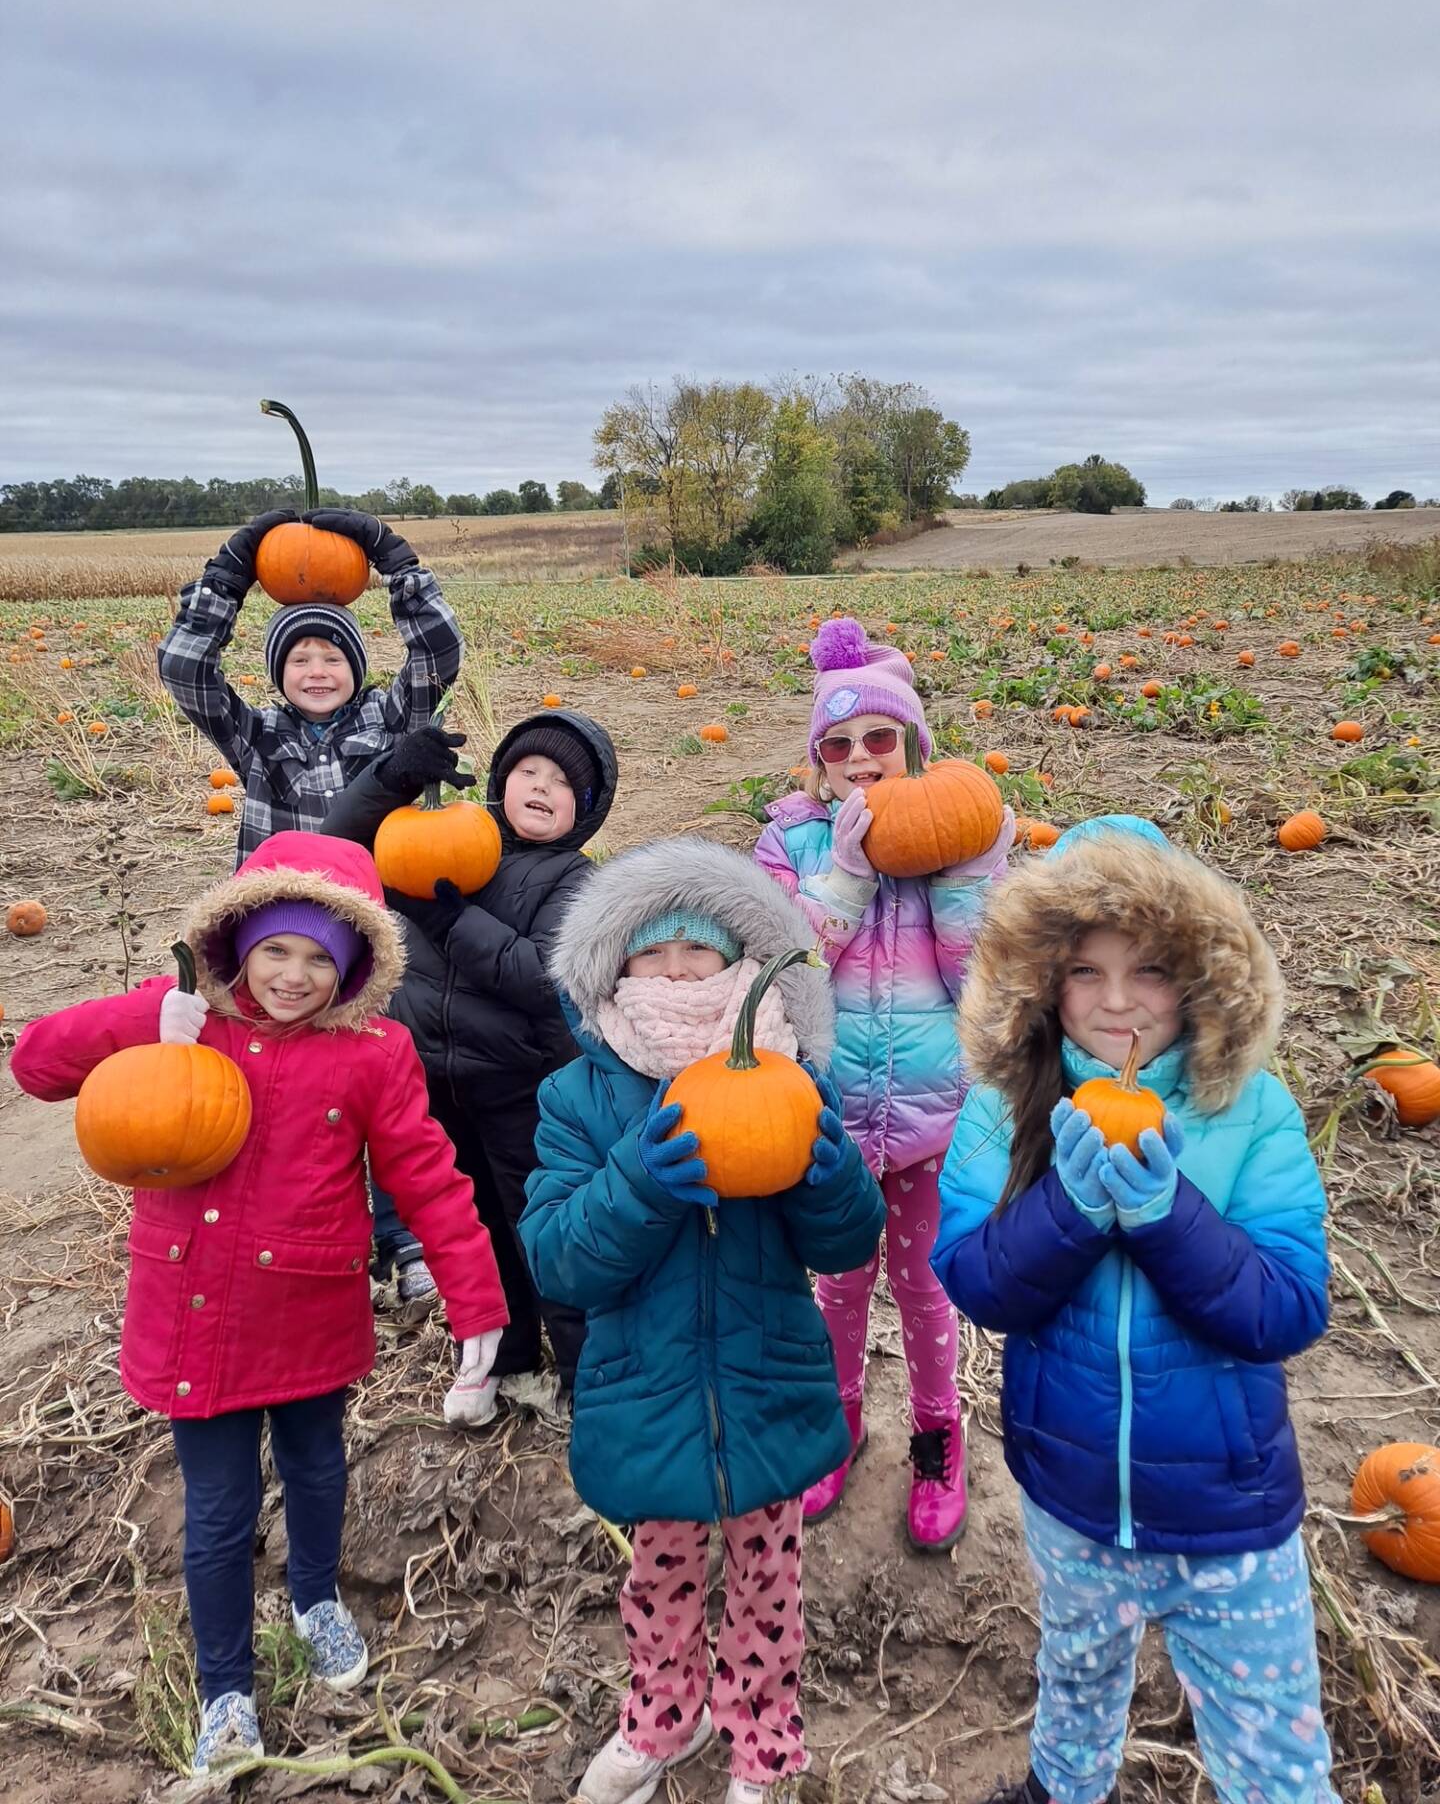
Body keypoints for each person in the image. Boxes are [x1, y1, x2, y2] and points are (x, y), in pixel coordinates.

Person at [11, 833, 509, 1778]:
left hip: (310, 1306)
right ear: (237, 942)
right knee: (219, 1507)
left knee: (318, 1467)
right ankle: (226, 1689)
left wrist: (475, 1301)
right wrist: (145, 1015)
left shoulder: (374, 1051)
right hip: (194, 1309)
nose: (293, 976)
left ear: (355, 968)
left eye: (321, 959)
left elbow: (428, 1179)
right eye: (275, 949)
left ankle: (315, 1597)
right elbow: (35, 1065)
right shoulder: (184, 1024)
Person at [931, 816, 1339, 1804]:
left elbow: (1286, 1308)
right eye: (1086, 972)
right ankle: (1063, 1786)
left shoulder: (1250, 1110)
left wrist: (1166, 1218)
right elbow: (978, 1283)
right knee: (1075, 1674)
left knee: (1271, 1743)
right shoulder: (1001, 1107)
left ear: (1197, 975)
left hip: (1227, 1513)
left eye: (1148, 970)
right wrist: (1068, 1211)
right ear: (1043, 981)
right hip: (1069, 1496)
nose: (1116, 1002)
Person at [519, 837, 886, 1804]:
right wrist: (642, 1183)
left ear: (741, 964)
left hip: (768, 1380)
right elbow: (558, 1258)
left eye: (700, 951)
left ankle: (762, 1741)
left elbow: (847, 1244)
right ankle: (662, 1720)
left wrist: (829, 1177)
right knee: (660, 1581)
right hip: (648, 1391)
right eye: (654, 952)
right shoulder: (581, 1096)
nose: (678, 971)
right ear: (615, 967)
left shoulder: (791, 1076)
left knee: (769, 1584)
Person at [754, 616, 1013, 1550]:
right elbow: (787, 976)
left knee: (924, 1286)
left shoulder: (957, 844)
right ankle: (842, 1421)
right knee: (839, 1283)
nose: (861, 757)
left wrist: (965, 879)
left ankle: (938, 1437)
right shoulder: (788, 848)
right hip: (830, 1118)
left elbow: (980, 986)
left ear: (914, 748)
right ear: (817, 762)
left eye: (880, 738)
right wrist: (848, 876)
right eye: (839, 743)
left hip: (930, 1119)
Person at [323, 708, 617, 1385]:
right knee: (474, 1229)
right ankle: (508, 1363)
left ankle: (585, 1374)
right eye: (528, 771)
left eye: (562, 782)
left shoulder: (576, 880)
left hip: (525, 1088)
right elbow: (336, 849)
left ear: (586, 809)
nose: (541, 786)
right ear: (499, 782)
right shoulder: (445, 838)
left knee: (539, 1228)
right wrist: (392, 779)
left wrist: (449, 920)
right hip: (434, 1082)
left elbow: (541, 977)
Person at [157, 506, 463, 868]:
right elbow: (183, 670)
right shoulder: (255, 736)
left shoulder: (390, 720)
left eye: (333, 660)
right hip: (282, 898)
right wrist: (222, 585)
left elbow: (439, 652)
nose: (317, 672)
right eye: (299, 661)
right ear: (278, 672)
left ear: (357, 669)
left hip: (370, 896)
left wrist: (400, 568)